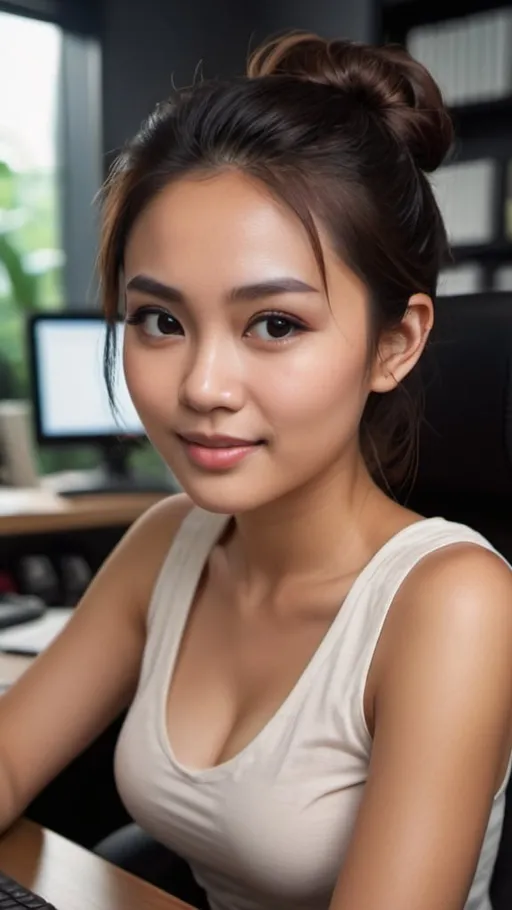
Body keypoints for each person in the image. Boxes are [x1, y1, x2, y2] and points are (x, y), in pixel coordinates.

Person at [1, 30, 511, 910]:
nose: (202, 387)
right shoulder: (169, 542)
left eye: (274, 324)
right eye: (159, 321)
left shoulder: (455, 602)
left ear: (397, 343)